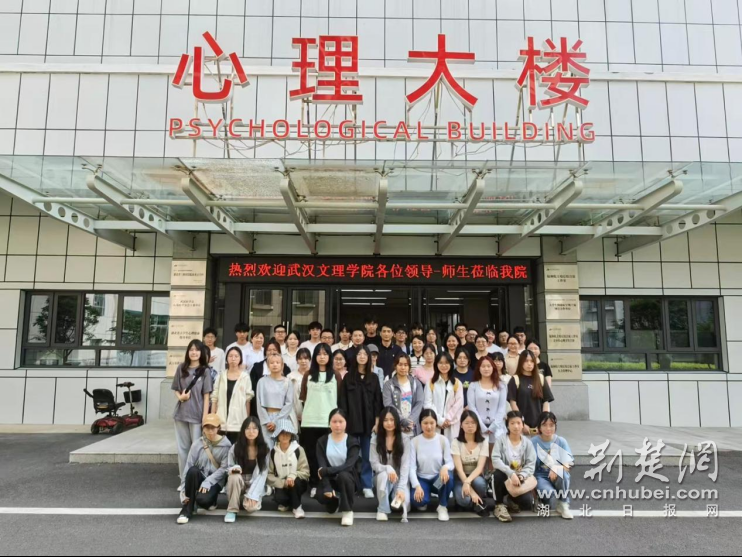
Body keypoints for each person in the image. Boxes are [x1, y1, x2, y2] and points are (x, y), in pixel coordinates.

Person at [338, 345, 383, 499]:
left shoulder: (374, 378)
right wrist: (343, 422)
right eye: (359, 354)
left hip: (368, 423)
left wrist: (377, 422)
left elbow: (377, 401)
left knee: (367, 455)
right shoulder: (348, 377)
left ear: (369, 358)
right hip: (351, 422)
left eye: (365, 354)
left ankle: (366, 485)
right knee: (350, 455)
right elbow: (342, 401)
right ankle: (351, 484)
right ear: (355, 357)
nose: (362, 356)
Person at [173, 340, 213, 488]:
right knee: (182, 449)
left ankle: (195, 481)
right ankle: (184, 481)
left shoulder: (205, 371)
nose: (194, 352)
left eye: (197, 350)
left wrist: (205, 418)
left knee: (196, 450)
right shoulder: (181, 368)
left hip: (197, 416)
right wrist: (180, 397)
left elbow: (207, 396)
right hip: (181, 414)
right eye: (191, 350)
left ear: (201, 352)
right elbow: (176, 388)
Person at [299, 343, 339, 494]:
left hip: (329, 422)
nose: (322, 357)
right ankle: (314, 484)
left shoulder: (335, 375)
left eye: (325, 354)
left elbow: (340, 398)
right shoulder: (308, 375)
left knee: (328, 455)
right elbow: (304, 398)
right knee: (311, 454)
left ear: (330, 356)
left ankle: (327, 484)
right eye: (319, 354)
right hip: (310, 421)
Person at [177, 414, 230, 525]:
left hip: (215, 481)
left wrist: (208, 482)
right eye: (207, 428)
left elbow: (224, 469)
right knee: (192, 470)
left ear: (218, 428)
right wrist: (183, 489)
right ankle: (187, 509)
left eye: (213, 428)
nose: (210, 431)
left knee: (203, 500)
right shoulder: (197, 444)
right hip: (200, 476)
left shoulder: (226, 446)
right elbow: (188, 465)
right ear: (203, 428)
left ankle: (210, 500)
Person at [316, 408, 361, 527]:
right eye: (334, 421)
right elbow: (322, 467)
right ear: (329, 423)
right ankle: (334, 500)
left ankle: (347, 511)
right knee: (321, 496)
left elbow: (349, 466)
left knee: (343, 476)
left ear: (346, 423)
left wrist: (327, 470)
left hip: (347, 478)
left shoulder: (352, 441)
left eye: (341, 421)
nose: (337, 425)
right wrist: (327, 486)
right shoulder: (322, 441)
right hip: (330, 478)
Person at [409, 409, 455, 522]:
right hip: (422, 480)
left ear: (436, 423)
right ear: (420, 424)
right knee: (417, 501)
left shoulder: (443, 440)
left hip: (437, 481)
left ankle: (442, 506)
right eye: (425, 423)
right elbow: (411, 467)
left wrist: (445, 467)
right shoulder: (415, 441)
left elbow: (450, 462)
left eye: (432, 423)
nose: (429, 426)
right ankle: (425, 497)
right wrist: (417, 486)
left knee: (448, 476)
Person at [492, 411, 537, 523]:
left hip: (519, 479)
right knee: (497, 475)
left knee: (527, 502)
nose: (516, 426)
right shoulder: (501, 440)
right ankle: (499, 505)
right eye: (512, 423)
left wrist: (522, 475)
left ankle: (510, 500)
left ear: (523, 425)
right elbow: (495, 460)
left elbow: (531, 464)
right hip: (504, 476)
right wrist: (510, 473)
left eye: (518, 423)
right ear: (507, 425)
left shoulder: (528, 443)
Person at [224, 416, 270, 523]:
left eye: (254, 428)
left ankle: (242, 498)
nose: (251, 431)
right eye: (248, 428)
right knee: (234, 476)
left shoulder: (264, 449)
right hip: (239, 481)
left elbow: (263, 474)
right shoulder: (235, 447)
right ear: (243, 430)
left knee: (250, 508)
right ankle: (232, 510)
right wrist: (234, 469)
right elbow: (229, 467)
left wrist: (252, 495)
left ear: (259, 430)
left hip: (255, 481)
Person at [370, 407, 411, 522]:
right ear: (381, 422)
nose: (389, 423)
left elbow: (405, 466)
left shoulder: (404, 439)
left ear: (397, 421)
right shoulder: (375, 440)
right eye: (385, 420)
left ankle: (391, 497)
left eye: (392, 420)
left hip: (399, 479)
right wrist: (387, 468)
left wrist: (401, 488)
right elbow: (374, 464)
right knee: (384, 475)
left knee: (401, 505)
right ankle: (382, 509)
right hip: (381, 478)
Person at [532, 412, 574, 520]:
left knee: (563, 473)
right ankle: (541, 498)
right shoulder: (534, 442)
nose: (548, 428)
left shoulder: (561, 441)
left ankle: (563, 504)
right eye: (544, 425)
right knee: (548, 495)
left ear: (555, 426)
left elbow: (568, 464)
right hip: (541, 476)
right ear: (539, 427)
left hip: (557, 475)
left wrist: (556, 468)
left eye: (551, 425)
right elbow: (529, 465)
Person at [267, 419, 310, 519]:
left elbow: (305, 472)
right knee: (280, 498)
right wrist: (283, 483)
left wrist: (292, 476)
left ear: (291, 435)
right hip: (281, 483)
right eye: (282, 433)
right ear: (277, 435)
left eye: (287, 433)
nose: (285, 435)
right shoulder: (273, 452)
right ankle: (287, 502)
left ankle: (297, 507)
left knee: (295, 483)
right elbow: (269, 474)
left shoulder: (298, 449)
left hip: (297, 481)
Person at [452, 410, 490, 517]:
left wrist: (468, 482)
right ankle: (471, 501)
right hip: (460, 478)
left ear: (477, 425)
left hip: (476, 477)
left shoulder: (483, 442)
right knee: (464, 500)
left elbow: (480, 468)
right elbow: (459, 469)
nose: (470, 426)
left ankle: (477, 500)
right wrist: (470, 490)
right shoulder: (456, 442)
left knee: (480, 483)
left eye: (473, 423)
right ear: (461, 425)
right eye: (467, 423)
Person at [212, 346, 253, 444]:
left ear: (240, 359)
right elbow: (214, 398)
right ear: (227, 359)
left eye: (236, 356)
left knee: (237, 449)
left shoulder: (245, 377)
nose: (233, 358)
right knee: (221, 449)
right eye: (230, 356)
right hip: (221, 422)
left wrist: (247, 420)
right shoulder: (221, 376)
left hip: (238, 421)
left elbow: (248, 400)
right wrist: (213, 419)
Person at [508, 350, 555, 434]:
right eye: (526, 361)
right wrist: (521, 422)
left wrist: (542, 423)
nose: (529, 364)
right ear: (521, 362)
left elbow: (546, 401)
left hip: (539, 426)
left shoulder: (540, 378)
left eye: (532, 361)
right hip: (521, 427)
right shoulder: (515, 379)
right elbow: (513, 403)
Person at [256, 353, 295, 449]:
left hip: (283, 417)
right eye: (272, 363)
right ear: (268, 365)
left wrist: (276, 421)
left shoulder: (287, 382)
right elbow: (259, 403)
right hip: (266, 419)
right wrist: (267, 421)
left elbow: (289, 403)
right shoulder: (262, 381)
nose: (275, 365)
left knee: (282, 447)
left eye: (277, 362)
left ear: (282, 365)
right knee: (267, 447)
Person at [467, 356, 508, 444]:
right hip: (478, 426)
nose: (486, 369)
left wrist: (494, 426)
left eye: (489, 366)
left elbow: (502, 407)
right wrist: (482, 426)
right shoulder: (473, 386)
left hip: (497, 427)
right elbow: (472, 407)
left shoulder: (501, 385)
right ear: (479, 368)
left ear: (493, 368)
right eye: (483, 366)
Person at [423, 353, 463, 443]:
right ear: (436, 364)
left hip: (451, 424)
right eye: (440, 363)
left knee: (451, 447)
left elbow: (458, 404)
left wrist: (448, 419)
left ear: (451, 364)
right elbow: (428, 404)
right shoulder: (431, 383)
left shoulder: (457, 383)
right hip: (435, 424)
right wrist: (439, 420)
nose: (443, 366)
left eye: (446, 363)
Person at [383, 354, 424, 438]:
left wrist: (410, 421)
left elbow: (419, 403)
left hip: (413, 427)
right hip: (396, 426)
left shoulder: (416, 383)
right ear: (395, 366)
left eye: (406, 365)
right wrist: (402, 420)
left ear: (409, 367)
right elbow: (388, 404)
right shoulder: (388, 385)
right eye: (400, 364)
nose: (403, 368)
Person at [250, 340, 292, 413]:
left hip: (281, 409)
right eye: (269, 350)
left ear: (279, 352)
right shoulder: (257, 367)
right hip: (259, 406)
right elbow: (253, 388)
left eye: (274, 350)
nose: (272, 352)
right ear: (265, 352)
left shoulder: (286, 369)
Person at [288, 347, 312, 424]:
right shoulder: (290, 376)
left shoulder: (314, 375)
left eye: (305, 358)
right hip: (295, 412)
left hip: (312, 412)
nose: (303, 361)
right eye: (300, 359)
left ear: (310, 359)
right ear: (297, 360)